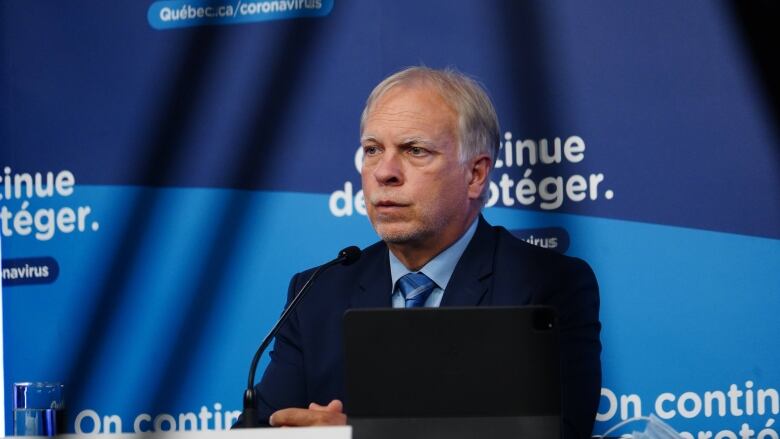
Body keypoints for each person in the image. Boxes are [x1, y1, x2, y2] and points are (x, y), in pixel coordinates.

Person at [254, 66, 602, 438]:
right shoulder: (316, 293)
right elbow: (261, 429)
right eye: (372, 150)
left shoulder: (546, 286)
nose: (384, 172)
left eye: (414, 150)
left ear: (475, 175)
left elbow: (557, 434)